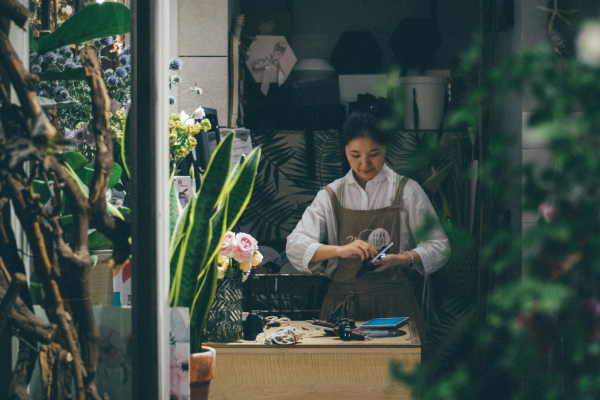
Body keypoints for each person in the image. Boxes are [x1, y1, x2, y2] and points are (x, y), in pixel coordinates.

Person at [286, 110, 450, 356]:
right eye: (355, 155)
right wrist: (341, 250)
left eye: (374, 154)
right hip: (341, 309)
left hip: (395, 308)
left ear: (386, 149)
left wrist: (402, 258)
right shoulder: (331, 195)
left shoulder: (406, 190)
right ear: (345, 152)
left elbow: (440, 246)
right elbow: (295, 245)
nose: (365, 164)